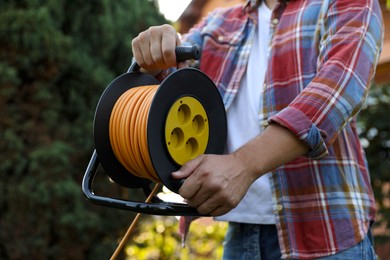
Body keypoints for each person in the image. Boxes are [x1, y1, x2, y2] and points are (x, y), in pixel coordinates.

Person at [131, 0, 384, 258]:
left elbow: (336, 92)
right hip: (240, 237)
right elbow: (163, 83)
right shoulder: (215, 23)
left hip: (327, 235)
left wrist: (243, 164)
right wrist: (153, 54)